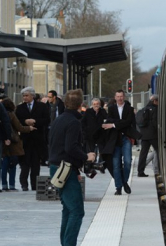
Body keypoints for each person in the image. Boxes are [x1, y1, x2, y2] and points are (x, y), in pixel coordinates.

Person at [48, 89, 96, 246]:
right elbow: (70, 147)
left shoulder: (59, 119)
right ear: (81, 105)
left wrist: (76, 170)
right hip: (65, 169)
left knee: (68, 209)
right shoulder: (74, 122)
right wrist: (86, 156)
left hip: (58, 168)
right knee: (77, 211)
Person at [102, 90, 140, 195]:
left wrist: (114, 125)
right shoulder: (111, 108)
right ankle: (119, 186)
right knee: (116, 164)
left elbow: (128, 122)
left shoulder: (129, 109)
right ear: (115, 97)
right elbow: (109, 119)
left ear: (124, 97)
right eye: (117, 96)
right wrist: (119, 123)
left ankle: (124, 181)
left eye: (121, 96)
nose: (119, 98)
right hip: (115, 139)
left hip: (126, 138)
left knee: (127, 162)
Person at [15, 86, 50, 191]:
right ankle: (24, 184)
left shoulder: (42, 107)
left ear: (32, 96)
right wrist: (25, 122)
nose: (24, 98)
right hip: (25, 140)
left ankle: (35, 185)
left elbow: (47, 120)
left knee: (35, 164)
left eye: (26, 95)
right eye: (23, 96)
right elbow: (17, 121)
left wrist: (34, 121)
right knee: (25, 164)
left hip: (37, 139)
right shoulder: (20, 108)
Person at [0, 98, 36, 191]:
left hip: (2, 141)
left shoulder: (0, 115)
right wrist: (29, 128)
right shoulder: (12, 115)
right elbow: (19, 127)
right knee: (12, 164)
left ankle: (4, 184)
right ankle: (11, 185)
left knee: (4, 164)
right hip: (13, 142)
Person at [137, 94, 159, 177]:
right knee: (158, 151)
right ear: (155, 101)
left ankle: (140, 171)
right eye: (158, 101)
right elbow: (154, 122)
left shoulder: (144, 109)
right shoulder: (155, 109)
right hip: (153, 135)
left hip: (144, 134)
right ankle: (157, 169)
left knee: (143, 153)